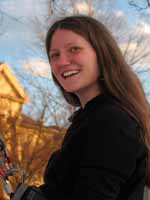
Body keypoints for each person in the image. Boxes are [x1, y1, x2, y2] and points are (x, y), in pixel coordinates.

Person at [12, 15, 150, 200]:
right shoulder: (90, 119)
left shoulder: (112, 122)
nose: (62, 61)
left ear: (101, 54)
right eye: (55, 55)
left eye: (74, 49)